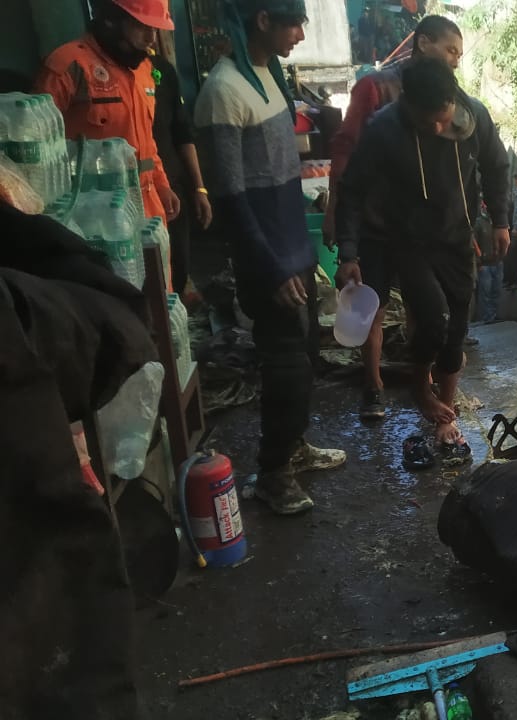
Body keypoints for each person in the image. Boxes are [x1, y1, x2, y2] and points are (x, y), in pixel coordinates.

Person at [194, 0, 346, 516]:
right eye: (295, 24)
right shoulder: (223, 92)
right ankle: (273, 473)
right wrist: (271, 267)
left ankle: (294, 449)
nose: (302, 35)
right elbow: (232, 198)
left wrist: (301, 254)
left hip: (293, 251)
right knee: (284, 367)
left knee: (304, 356)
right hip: (268, 261)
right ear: (263, 21)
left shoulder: (269, 74)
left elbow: (279, 177)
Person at [335, 56, 511, 469]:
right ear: (406, 105)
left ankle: (444, 414)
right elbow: (353, 190)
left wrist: (501, 221)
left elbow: (497, 167)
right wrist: (348, 251)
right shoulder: (382, 129)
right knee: (432, 317)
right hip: (408, 240)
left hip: (457, 238)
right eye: (426, 122)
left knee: (457, 330)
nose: (436, 129)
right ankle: (419, 387)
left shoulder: (476, 116)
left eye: (443, 119)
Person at [325, 14, 466, 421]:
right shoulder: (375, 88)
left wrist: (466, 222)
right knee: (373, 306)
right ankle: (374, 387)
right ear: (424, 43)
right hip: (376, 225)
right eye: (450, 50)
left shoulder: (449, 96)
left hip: (422, 233)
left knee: (432, 312)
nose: (455, 60)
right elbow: (345, 151)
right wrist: (341, 224)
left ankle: (425, 386)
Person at [35, 0, 181, 223]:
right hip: (93, 214)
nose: (151, 38)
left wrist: (161, 185)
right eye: (143, 26)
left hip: (147, 205)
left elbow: (146, 141)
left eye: (155, 28)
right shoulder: (69, 65)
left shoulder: (143, 69)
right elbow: (35, 142)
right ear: (112, 20)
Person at [149, 43, 213, 302]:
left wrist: (199, 188)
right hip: (130, 198)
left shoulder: (161, 71)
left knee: (178, 266)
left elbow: (182, 133)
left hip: (172, 190)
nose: (150, 37)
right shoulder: (73, 65)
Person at [474, 200, 503, 324]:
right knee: (485, 292)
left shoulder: (499, 222)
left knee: (496, 291)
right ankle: (486, 318)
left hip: (498, 261)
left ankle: (493, 315)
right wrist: (479, 261)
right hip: (484, 263)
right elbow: (473, 242)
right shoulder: (479, 223)